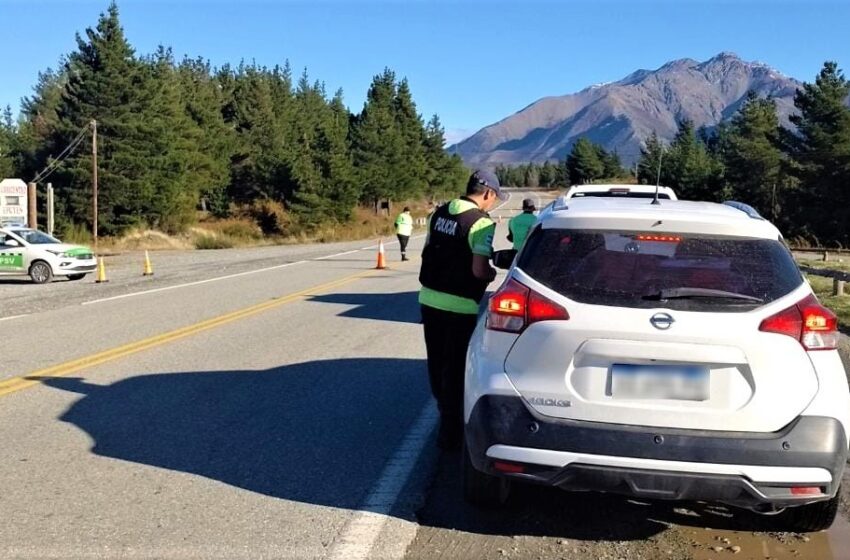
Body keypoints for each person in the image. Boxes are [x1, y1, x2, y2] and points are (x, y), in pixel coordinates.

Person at [419, 169, 506, 450]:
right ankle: (450, 434)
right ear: (488, 193)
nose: (493, 204)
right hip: (460, 304)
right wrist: (491, 275)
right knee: (455, 368)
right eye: (495, 198)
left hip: (429, 297)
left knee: (437, 362)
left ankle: (443, 414)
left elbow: (429, 249)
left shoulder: (439, 213)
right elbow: (479, 269)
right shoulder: (481, 224)